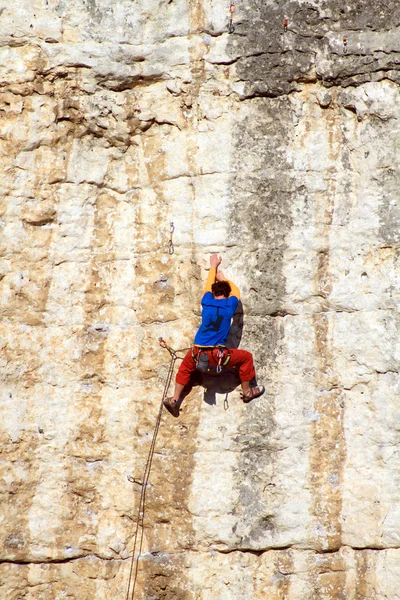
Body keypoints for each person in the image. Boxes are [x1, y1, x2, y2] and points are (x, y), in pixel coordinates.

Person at [163, 253, 265, 417]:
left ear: (212, 293)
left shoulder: (206, 301)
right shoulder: (229, 305)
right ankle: (247, 392)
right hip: (217, 355)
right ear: (226, 294)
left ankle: (175, 399)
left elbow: (208, 286)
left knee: (185, 367)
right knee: (246, 357)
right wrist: (222, 277)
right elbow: (236, 291)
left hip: (197, 352)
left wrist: (212, 266)